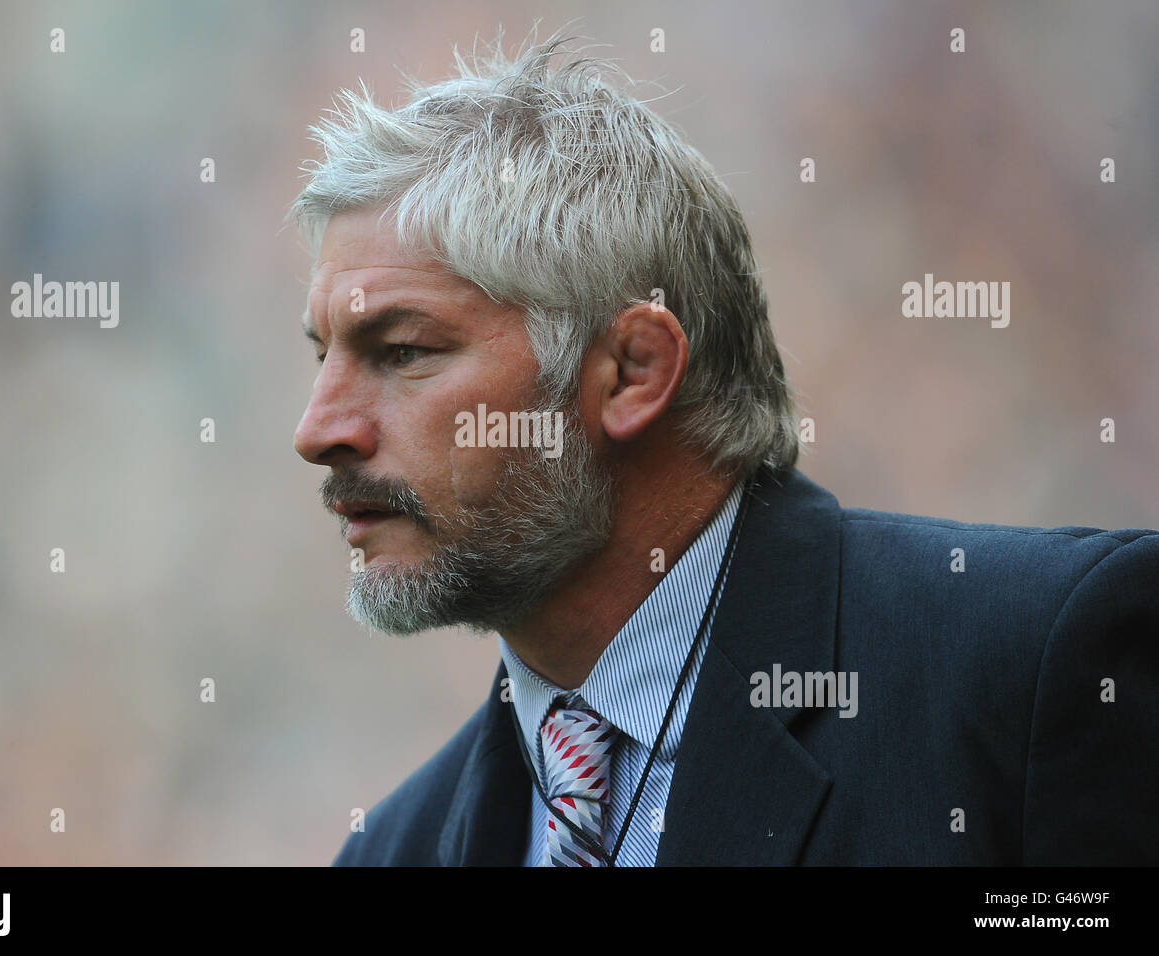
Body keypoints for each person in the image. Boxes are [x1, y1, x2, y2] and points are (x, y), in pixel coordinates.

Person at [289, 35, 1159, 866]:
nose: (318, 429)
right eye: (324, 355)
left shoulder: (1039, 667)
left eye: (402, 351)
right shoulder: (390, 849)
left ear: (632, 371)